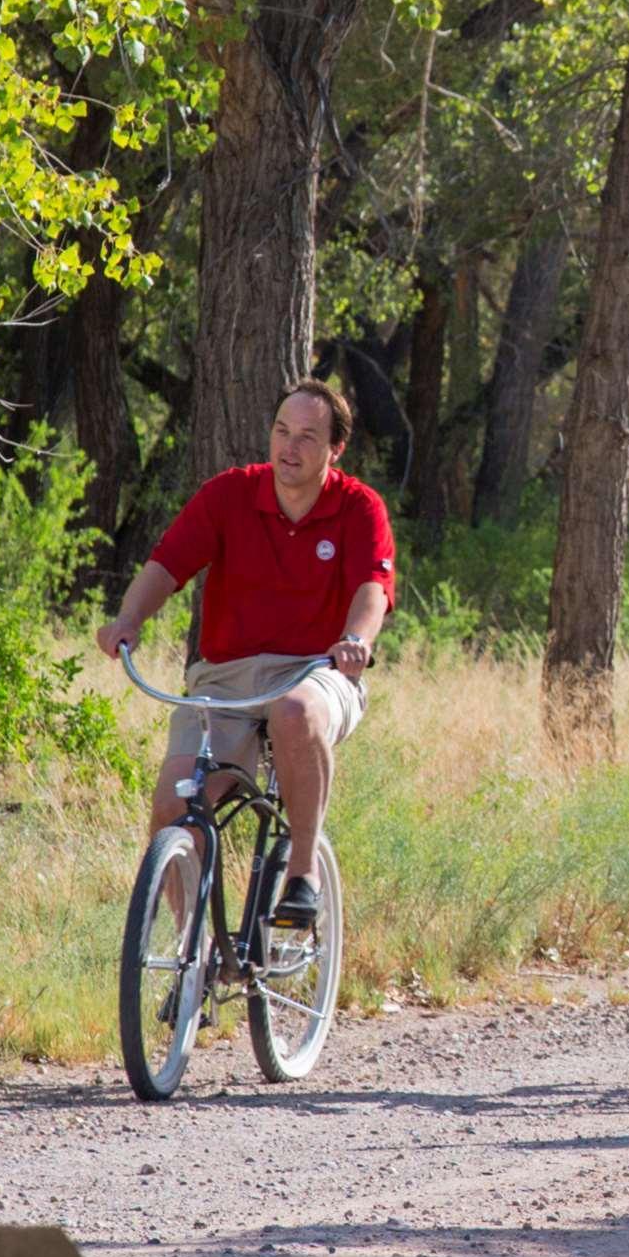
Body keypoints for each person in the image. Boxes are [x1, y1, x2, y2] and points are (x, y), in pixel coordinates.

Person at [98, 377, 394, 929]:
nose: (290, 447)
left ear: (336, 449)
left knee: (296, 712)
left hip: (318, 670)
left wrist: (357, 641)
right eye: (282, 431)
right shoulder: (230, 494)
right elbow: (168, 564)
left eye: (308, 436)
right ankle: (194, 955)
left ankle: (301, 874)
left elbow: (372, 589)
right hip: (226, 678)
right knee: (172, 809)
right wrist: (128, 620)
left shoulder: (359, 508)